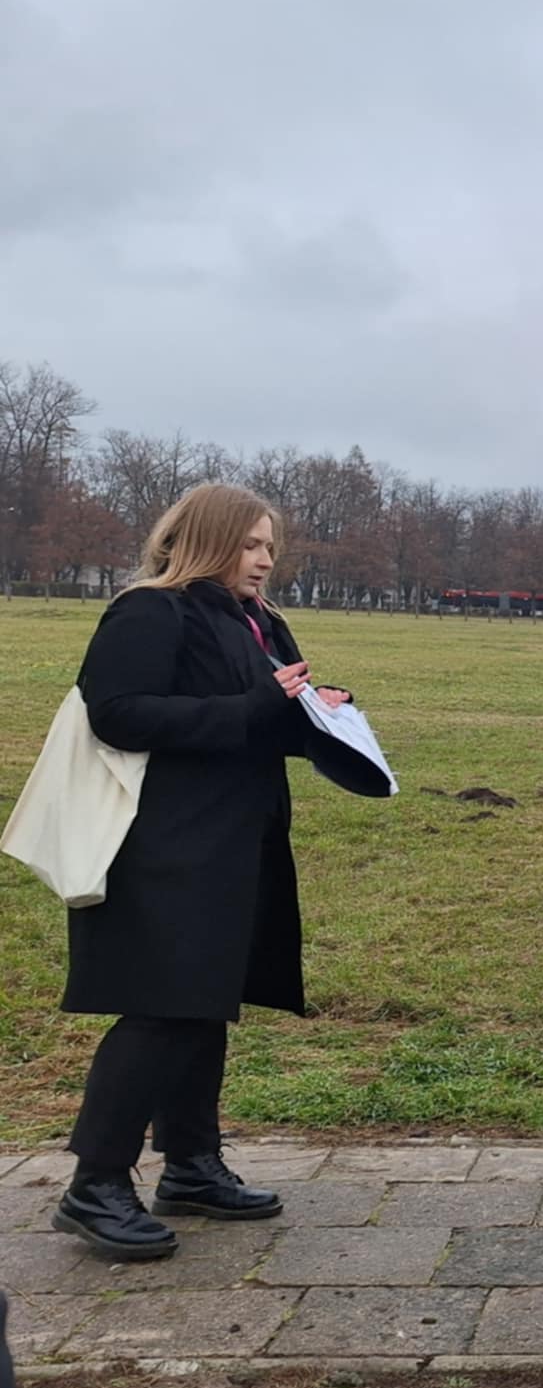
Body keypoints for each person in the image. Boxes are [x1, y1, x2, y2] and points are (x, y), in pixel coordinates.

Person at [51, 483, 353, 1261]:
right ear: (209, 540)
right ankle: (96, 1183)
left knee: (204, 1003)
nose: (264, 560)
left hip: (237, 840)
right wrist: (257, 706)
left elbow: (263, 715)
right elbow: (116, 710)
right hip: (163, 845)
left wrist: (317, 712)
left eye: (270, 547)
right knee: (158, 1007)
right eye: (251, 545)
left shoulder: (260, 621)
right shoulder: (152, 611)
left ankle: (189, 1165)